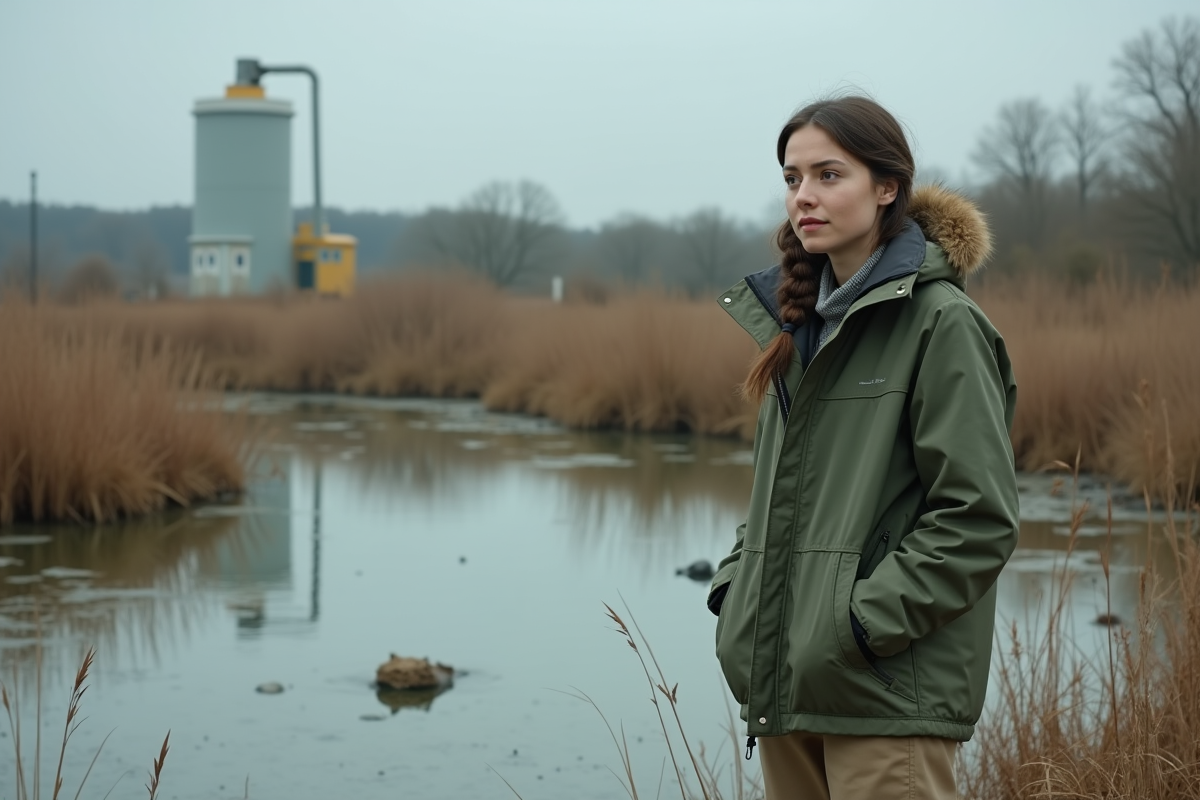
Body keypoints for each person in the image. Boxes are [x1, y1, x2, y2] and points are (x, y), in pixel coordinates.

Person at [708, 96, 1019, 800]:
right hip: (788, 684)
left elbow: (977, 518)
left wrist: (856, 625)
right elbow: (776, 500)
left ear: (886, 188)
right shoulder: (796, 329)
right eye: (792, 179)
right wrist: (739, 594)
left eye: (828, 174)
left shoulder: (943, 325)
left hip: (882, 695)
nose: (804, 197)